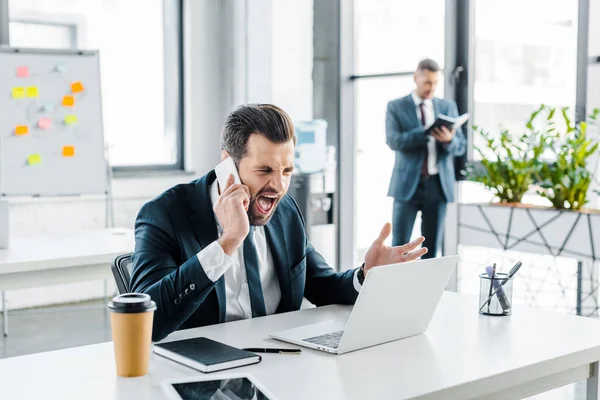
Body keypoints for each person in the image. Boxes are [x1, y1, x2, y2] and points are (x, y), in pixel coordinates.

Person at [131, 104, 428, 341]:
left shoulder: (285, 211)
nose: (279, 185)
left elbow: (320, 284)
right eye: (264, 170)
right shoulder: (165, 214)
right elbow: (146, 319)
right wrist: (228, 241)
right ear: (227, 164)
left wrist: (367, 275)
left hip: (280, 365)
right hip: (204, 378)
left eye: (286, 170)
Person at [385, 59, 466, 259]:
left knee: (430, 248)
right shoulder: (396, 106)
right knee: (400, 246)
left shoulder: (447, 107)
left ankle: (426, 290)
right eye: (427, 82)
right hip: (407, 186)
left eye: (435, 83)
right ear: (416, 78)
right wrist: (425, 132)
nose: (432, 88)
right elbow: (394, 141)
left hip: (437, 187)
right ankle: (397, 289)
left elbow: (460, 146)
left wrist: (448, 141)